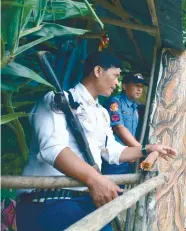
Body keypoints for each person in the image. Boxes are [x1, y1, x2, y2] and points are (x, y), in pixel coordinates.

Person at [16, 52, 177, 231]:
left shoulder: (101, 113)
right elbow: (53, 149)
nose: (117, 83)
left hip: (84, 201)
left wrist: (147, 149)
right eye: (115, 76)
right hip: (46, 201)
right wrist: (95, 179)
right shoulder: (57, 100)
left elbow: (111, 151)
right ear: (98, 71)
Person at [102, 72, 146, 175]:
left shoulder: (134, 106)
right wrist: (141, 151)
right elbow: (119, 128)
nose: (139, 89)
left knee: (122, 188)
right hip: (113, 157)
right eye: (136, 85)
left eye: (141, 86)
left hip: (128, 157)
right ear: (125, 86)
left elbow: (131, 132)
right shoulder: (115, 102)